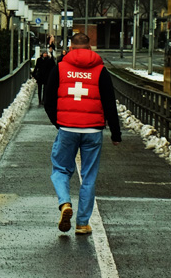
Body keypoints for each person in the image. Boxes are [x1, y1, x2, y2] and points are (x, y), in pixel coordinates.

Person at [44, 32, 121, 235]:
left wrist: (59, 122)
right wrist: (115, 133)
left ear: (70, 48)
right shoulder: (100, 71)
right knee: (88, 177)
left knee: (60, 169)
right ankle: (82, 223)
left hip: (67, 128)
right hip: (93, 130)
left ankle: (65, 203)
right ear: (89, 49)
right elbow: (109, 104)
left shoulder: (60, 68)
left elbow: (48, 99)